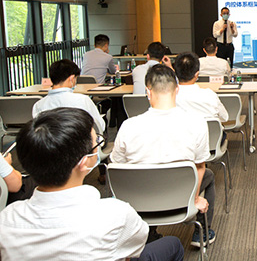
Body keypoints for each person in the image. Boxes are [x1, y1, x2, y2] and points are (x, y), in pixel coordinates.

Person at [0, 108, 184, 261]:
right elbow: (135, 247)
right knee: (173, 244)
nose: (97, 147)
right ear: (84, 162)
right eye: (96, 143)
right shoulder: (117, 214)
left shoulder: (6, 219)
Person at [111, 64, 217, 247]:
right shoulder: (197, 123)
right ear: (177, 90)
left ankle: (149, 234)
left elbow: (116, 167)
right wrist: (195, 199)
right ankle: (201, 233)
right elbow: (200, 166)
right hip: (182, 198)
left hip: (139, 200)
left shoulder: (128, 126)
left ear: (147, 91)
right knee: (209, 175)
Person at [32, 59, 105, 134]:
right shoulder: (83, 100)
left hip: (51, 141)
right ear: (72, 78)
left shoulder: (39, 105)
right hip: (79, 140)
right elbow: (100, 126)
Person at [174, 52, 228, 122]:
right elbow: (224, 117)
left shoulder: (168, 96)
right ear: (197, 75)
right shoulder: (209, 95)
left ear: (175, 73)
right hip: (209, 129)